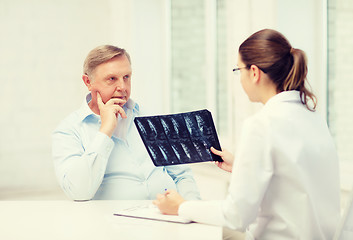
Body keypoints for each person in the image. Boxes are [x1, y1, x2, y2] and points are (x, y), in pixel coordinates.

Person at [153, 29, 340, 239]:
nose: (239, 79)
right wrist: (240, 165)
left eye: (238, 70)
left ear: (254, 72)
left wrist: (182, 206)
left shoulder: (261, 124)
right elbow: (293, 178)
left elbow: (237, 216)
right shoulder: (313, 117)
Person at [52, 45, 200, 201]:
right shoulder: (68, 131)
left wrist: (191, 209)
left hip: (168, 217)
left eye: (126, 77)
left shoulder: (150, 117)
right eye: (112, 79)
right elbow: (79, 192)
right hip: (113, 222)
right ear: (88, 82)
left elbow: (182, 175)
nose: (122, 87)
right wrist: (105, 131)